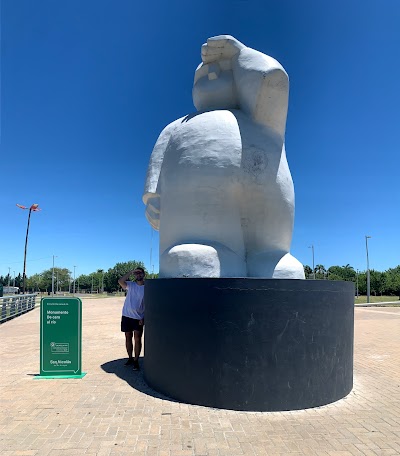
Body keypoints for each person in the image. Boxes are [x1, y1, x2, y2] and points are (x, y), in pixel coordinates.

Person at [118, 267, 145, 370]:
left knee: (137, 339)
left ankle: (136, 360)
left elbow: (148, 304)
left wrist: (144, 317)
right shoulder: (130, 285)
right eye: (136, 273)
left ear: (143, 274)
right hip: (126, 316)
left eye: (140, 273)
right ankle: (130, 358)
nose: (138, 275)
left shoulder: (146, 288)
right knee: (128, 337)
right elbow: (120, 281)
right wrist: (131, 272)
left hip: (138, 317)